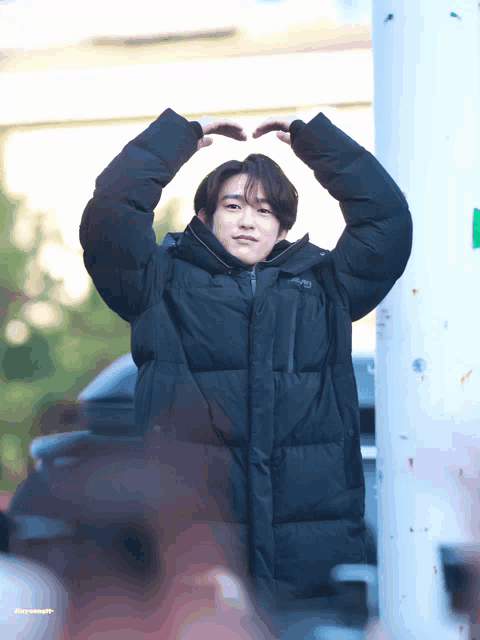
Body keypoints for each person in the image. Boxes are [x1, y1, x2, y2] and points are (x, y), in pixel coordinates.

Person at [79, 107, 412, 624]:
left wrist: (316, 143)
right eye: (232, 204)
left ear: (282, 226)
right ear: (208, 216)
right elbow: (110, 215)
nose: (247, 219)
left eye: (263, 209)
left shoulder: (326, 287)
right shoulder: (158, 283)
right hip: (194, 559)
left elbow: (385, 220)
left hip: (310, 565)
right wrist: (178, 138)